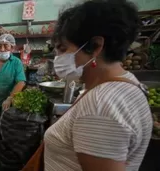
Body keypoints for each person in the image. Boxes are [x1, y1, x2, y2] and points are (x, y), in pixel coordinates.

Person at [44, 0, 153, 171]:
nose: (57, 57)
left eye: (63, 49)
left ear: (95, 46)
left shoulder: (100, 105)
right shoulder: (128, 83)